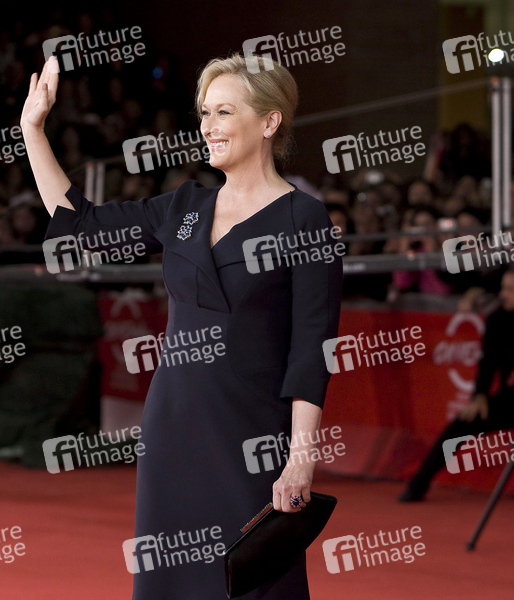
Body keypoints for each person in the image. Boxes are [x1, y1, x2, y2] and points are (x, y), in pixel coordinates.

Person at [22, 54, 342, 599]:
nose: (208, 126)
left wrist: (300, 460)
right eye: (204, 113)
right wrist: (33, 130)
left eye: (224, 112)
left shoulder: (303, 218)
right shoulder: (184, 207)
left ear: (270, 122)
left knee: (255, 582)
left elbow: (312, 351)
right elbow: (82, 226)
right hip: (172, 429)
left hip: (252, 438)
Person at [400, 268, 514, 502]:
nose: (503, 294)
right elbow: (487, 362)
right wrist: (479, 396)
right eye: (503, 288)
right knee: (461, 424)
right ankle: (418, 484)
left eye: (510, 289)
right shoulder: (498, 320)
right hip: (512, 401)